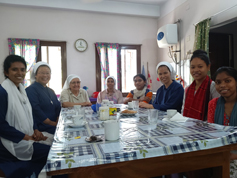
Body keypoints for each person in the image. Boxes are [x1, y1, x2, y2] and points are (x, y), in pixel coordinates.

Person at [0, 55, 50, 178]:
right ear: (6, 72)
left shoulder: (21, 90)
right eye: (14, 69)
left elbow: (29, 114)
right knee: (52, 153)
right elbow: (1, 125)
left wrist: (35, 130)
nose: (19, 73)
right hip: (10, 143)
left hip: (27, 136)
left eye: (22, 70)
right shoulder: (2, 92)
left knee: (54, 142)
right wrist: (26, 137)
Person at [207, 67, 237, 178]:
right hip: (221, 151)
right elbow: (211, 133)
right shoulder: (213, 104)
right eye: (218, 82)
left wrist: (233, 155)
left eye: (227, 81)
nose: (222, 85)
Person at [182, 49, 220, 120]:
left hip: (207, 128)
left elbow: (217, 111)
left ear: (208, 67)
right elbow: (183, 111)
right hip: (187, 127)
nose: (196, 70)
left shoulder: (213, 86)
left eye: (200, 67)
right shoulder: (188, 89)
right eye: (192, 67)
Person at [26, 61, 61, 134]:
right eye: (42, 73)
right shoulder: (30, 90)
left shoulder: (51, 91)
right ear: (35, 75)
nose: (45, 75)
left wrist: (58, 120)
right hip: (41, 128)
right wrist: (52, 123)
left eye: (47, 73)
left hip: (55, 125)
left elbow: (57, 106)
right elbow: (36, 109)